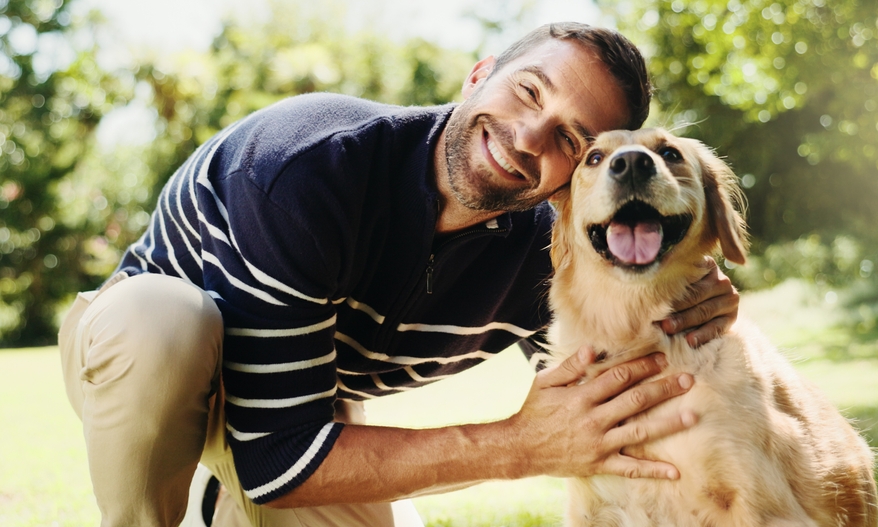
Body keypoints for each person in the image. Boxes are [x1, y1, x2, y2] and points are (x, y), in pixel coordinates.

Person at [58, 22, 740, 527]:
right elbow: (279, 459)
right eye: (527, 91)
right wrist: (517, 445)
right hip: (147, 356)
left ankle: (224, 503)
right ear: (478, 75)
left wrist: (672, 302)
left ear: (573, 181)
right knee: (162, 323)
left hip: (304, 403)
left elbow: (610, 385)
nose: (528, 136)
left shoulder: (557, 248)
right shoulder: (307, 169)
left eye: (569, 140)